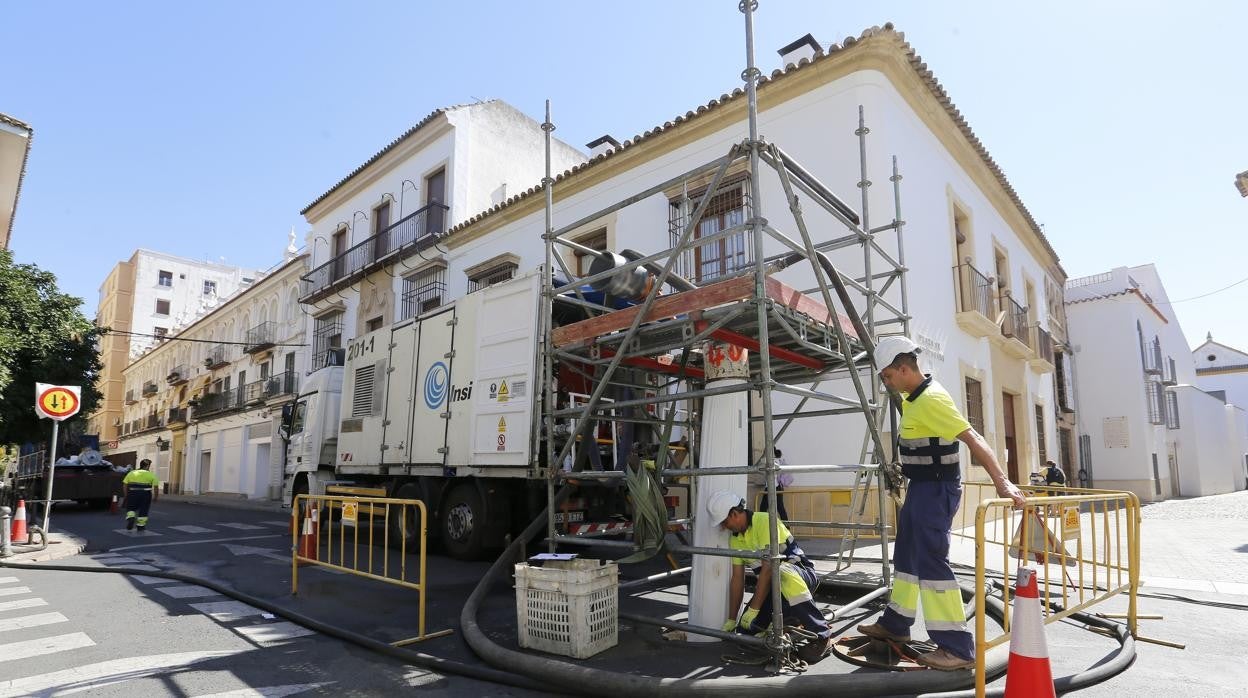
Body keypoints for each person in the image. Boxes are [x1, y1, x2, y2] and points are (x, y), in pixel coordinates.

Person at [857, 336, 1026, 671]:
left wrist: (1002, 482)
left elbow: (973, 438)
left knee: (932, 563)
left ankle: (956, 648)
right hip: (921, 488)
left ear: (903, 369)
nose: (886, 383)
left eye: (887, 376)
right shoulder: (915, 399)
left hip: (935, 491)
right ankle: (896, 623)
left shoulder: (931, 399)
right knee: (906, 554)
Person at [708, 490, 833, 664]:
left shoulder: (765, 521)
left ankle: (822, 634)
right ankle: (794, 620)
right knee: (746, 633)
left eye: (724, 522)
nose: (723, 527)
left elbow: (768, 569)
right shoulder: (735, 540)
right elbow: (737, 579)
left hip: (801, 576)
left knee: (781, 572)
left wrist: (754, 609)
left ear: (734, 513)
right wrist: (731, 618)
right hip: (773, 589)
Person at [122, 459, 159, 531]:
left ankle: (131, 518)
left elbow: (125, 484)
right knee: (143, 509)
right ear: (148, 466)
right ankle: (140, 526)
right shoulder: (151, 475)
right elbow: (156, 487)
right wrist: (155, 497)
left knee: (131, 507)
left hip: (132, 493)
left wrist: (126, 494)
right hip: (145, 495)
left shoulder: (131, 473)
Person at [757, 448, 791, 521]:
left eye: (765, 451)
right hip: (776, 487)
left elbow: (759, 466)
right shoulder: (776, 461)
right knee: (780, 508)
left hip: (773, 487)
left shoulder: (771, 461)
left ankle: (764, 525)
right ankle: (787, 527)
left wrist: (763, 456)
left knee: (764, 508)